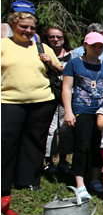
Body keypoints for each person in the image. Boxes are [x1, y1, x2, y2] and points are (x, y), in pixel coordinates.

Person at [1, 11, 62, 196]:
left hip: (42, 100)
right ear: (12, 26)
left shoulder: (41, 47)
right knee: (6, 142)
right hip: (8, 101)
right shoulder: (3, 45)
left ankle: (28, 180)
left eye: (32, 28)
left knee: (35, 141)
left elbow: (59, 69)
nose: (28, 30)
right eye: (24, 27)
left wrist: (51, 62)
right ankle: (4, 183)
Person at [62, 32, 103, 199]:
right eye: (93, 46)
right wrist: (68, 111)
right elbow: (67, 88)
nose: (97, 49)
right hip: (81, 109)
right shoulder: (74, 63)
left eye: (100, 46)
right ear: (85, 45)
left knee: (99, 145)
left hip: (101, 111)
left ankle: (95, 178)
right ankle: (79, 182)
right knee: (82, 146)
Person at [41, 26, 74, 176]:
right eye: (51, 37)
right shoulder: (40, 53)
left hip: (67, 97)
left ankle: (63, 161)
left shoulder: (72, 55)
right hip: (48, 96)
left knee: (66, 130)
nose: (55, 40)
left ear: (64, 38)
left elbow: (69, 72)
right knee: (50, 130)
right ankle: (48, 162)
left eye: (59, 37)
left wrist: (52, 64)